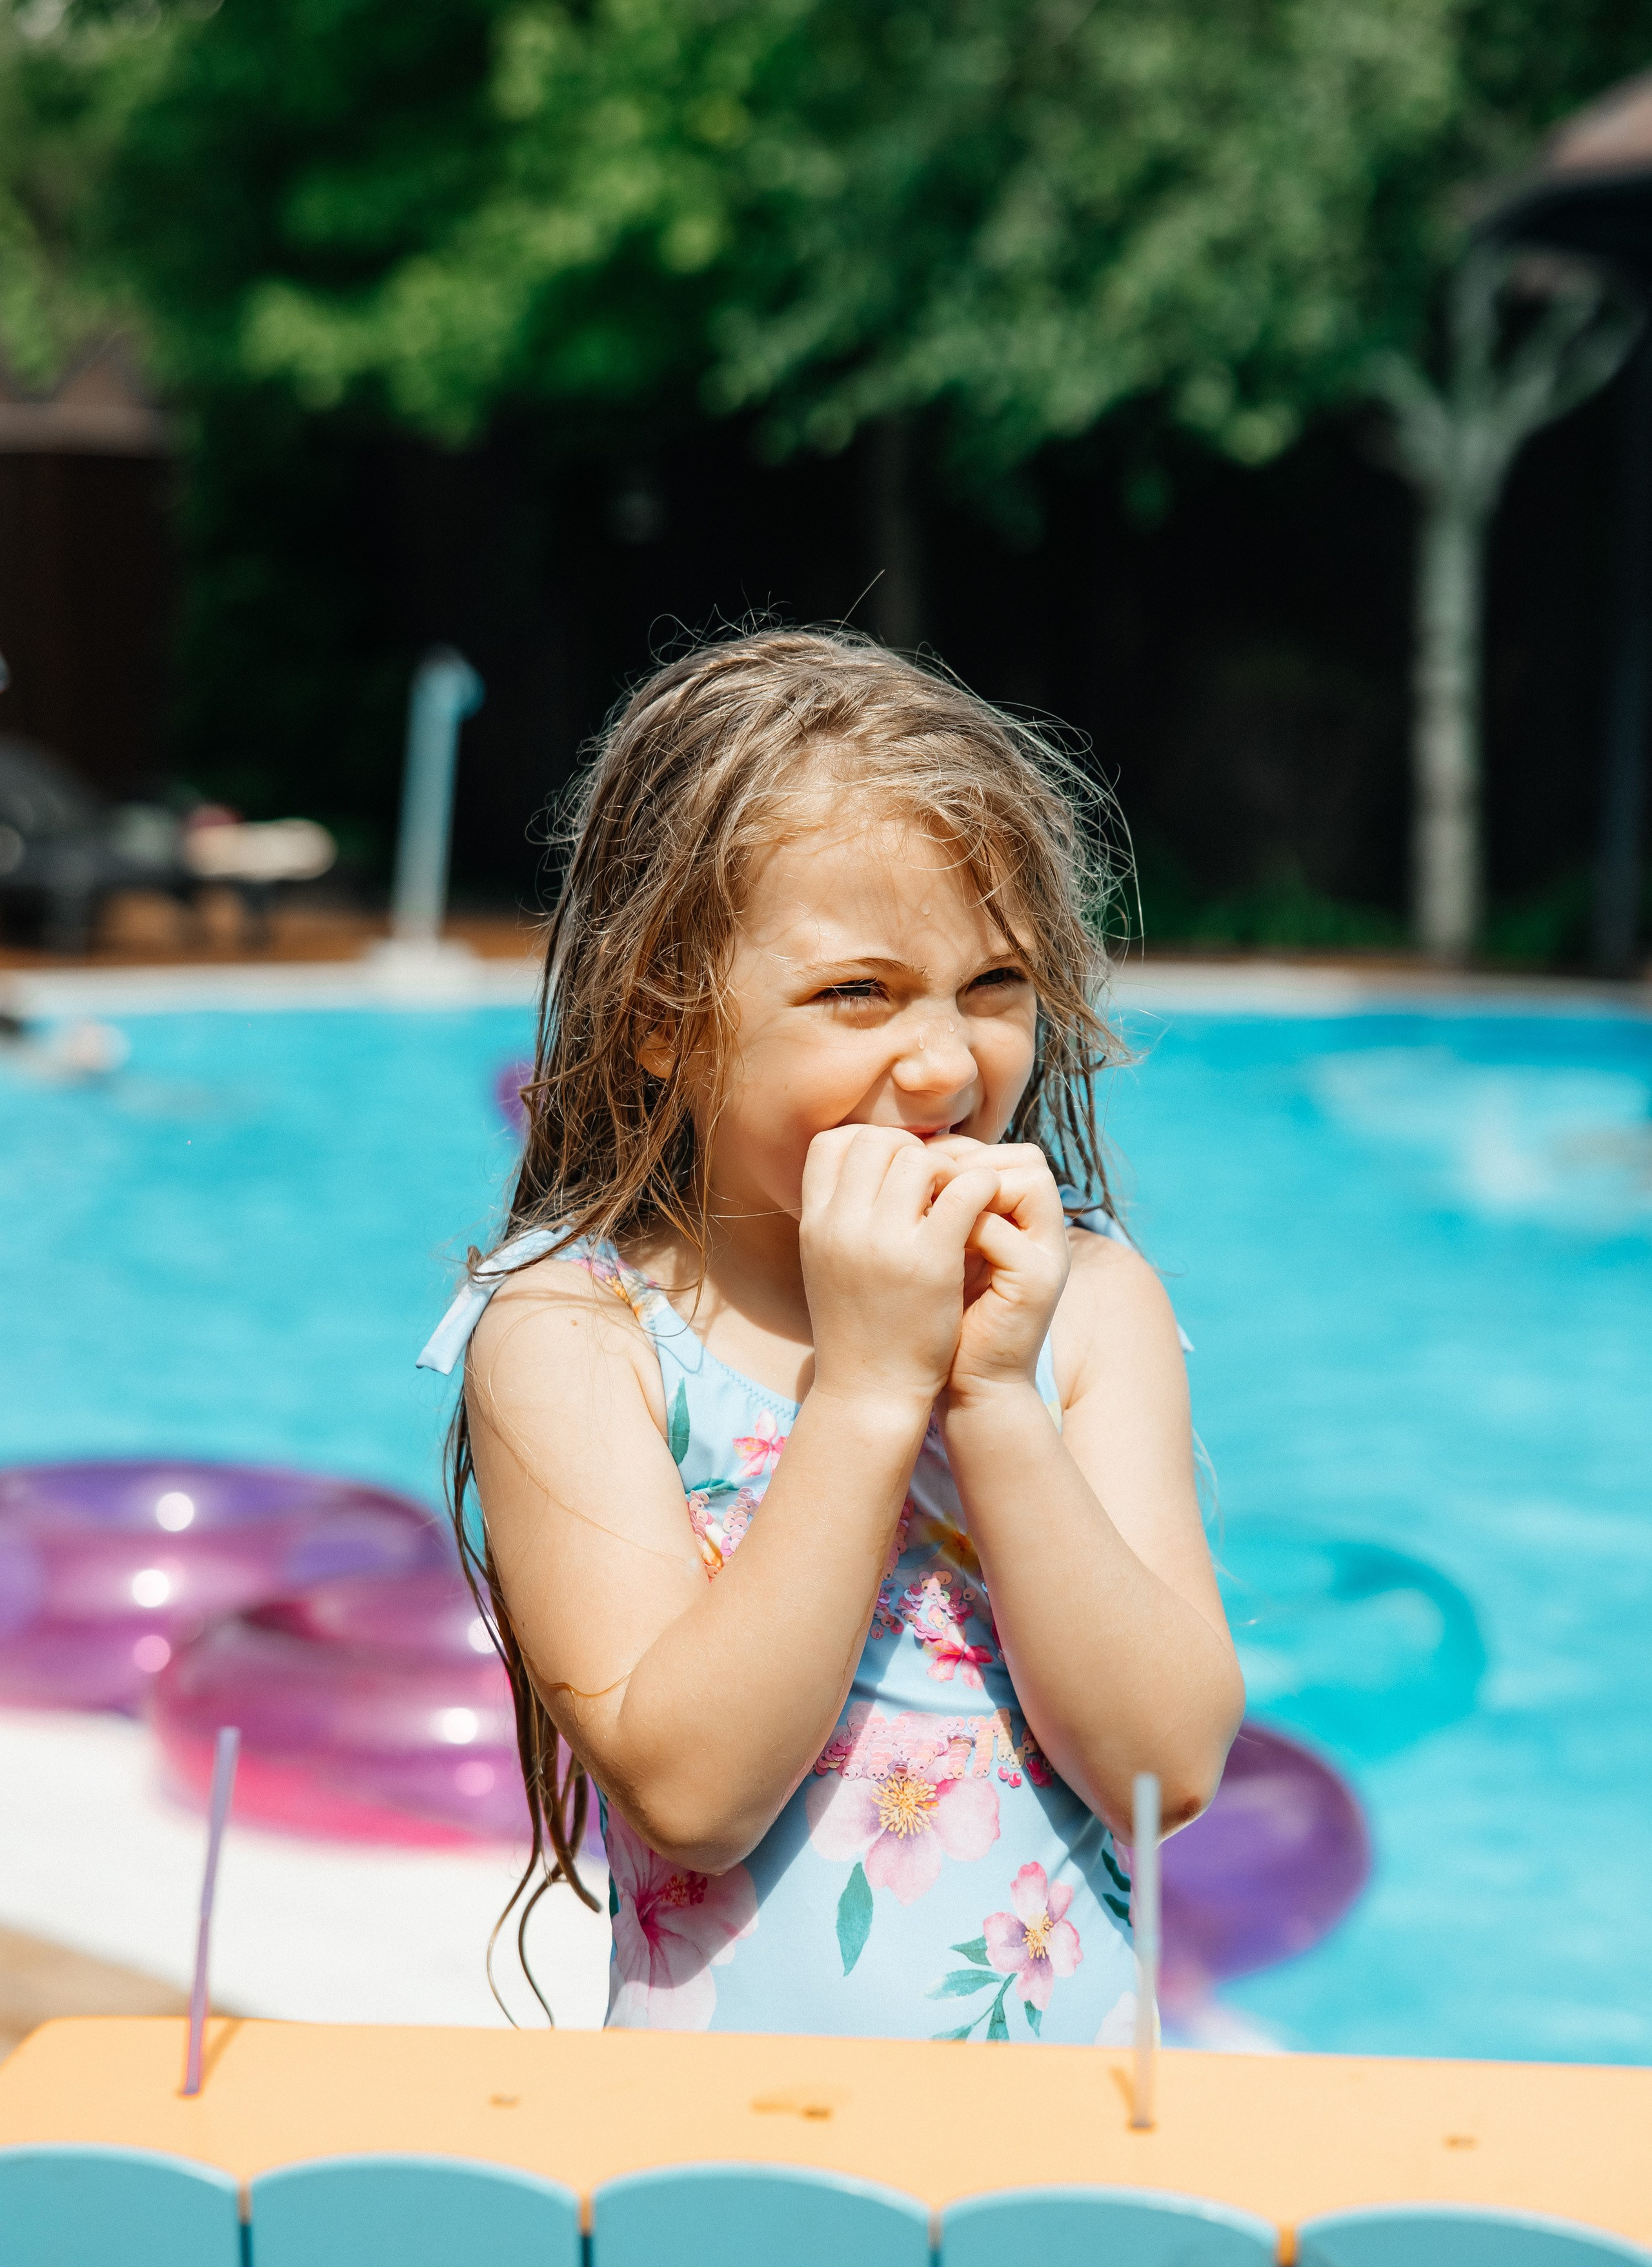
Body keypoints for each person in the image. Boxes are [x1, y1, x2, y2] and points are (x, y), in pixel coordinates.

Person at [420, 627, 1243, 2042]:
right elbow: (691, 1796)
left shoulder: (1085, 1312)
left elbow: (1163, 1772)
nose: (940, 1064)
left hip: (1071, 2153)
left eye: (992, 987)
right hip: (730, 2165)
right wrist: (867, 1392)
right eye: (855, 994)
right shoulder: (574, 1334)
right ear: (662, 1017)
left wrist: (988, 1395)